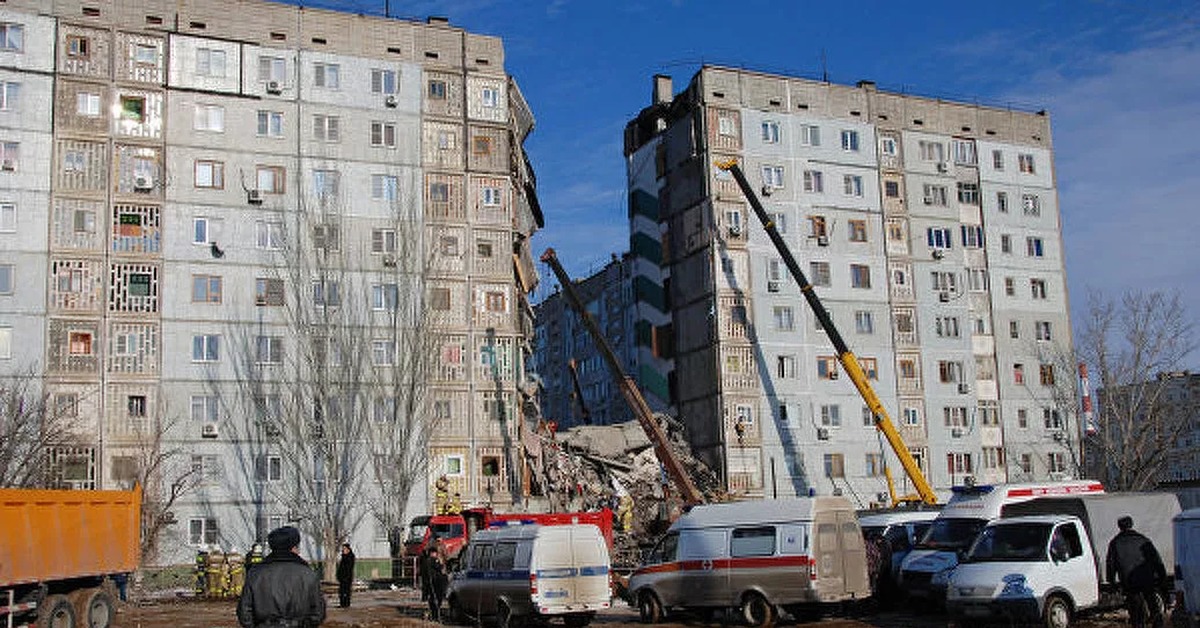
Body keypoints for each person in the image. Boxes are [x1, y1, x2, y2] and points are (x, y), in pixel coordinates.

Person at [237, 526, 326, 628]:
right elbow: (318, 612)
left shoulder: (256, 573)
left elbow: (244, 611)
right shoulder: (308, 574)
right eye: (297, 547)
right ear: (293, 548)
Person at [1106, 515, 1168, 628]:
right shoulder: (1143, 540)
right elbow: (1156, 560)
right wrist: (1162, 577)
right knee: (1153, 606)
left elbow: (1111, 564)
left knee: (1135, 611)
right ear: (1132, 524)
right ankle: (1158, 625)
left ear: (1119, 527)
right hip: (1147, 579)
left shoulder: (1115, 543)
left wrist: (1112, 583)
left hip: (1129, 582)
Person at [420, 546, 448, 621]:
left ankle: (433, 614)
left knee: (432, 599)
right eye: (436, 553)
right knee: (437, 599)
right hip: (436, 582)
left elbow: (422, 573)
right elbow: (439, 568)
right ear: (433, 553)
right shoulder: (434, 560)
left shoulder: (425, 561)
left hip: (428, 583)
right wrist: (441, 563)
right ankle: (436, 615)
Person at [336, 543, 356, 609]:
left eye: (344, 549)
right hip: (342, 577)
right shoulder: (343, 556)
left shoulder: (350, 556)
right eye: (343, 549)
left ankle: (346, 604)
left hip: (347, 577)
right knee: (341, 591)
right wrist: (339, 575)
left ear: (348, 549)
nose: (343, 550)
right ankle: (342, 603)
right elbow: (341, 567)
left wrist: (346, 576)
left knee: (346, 591)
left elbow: (349, 568)